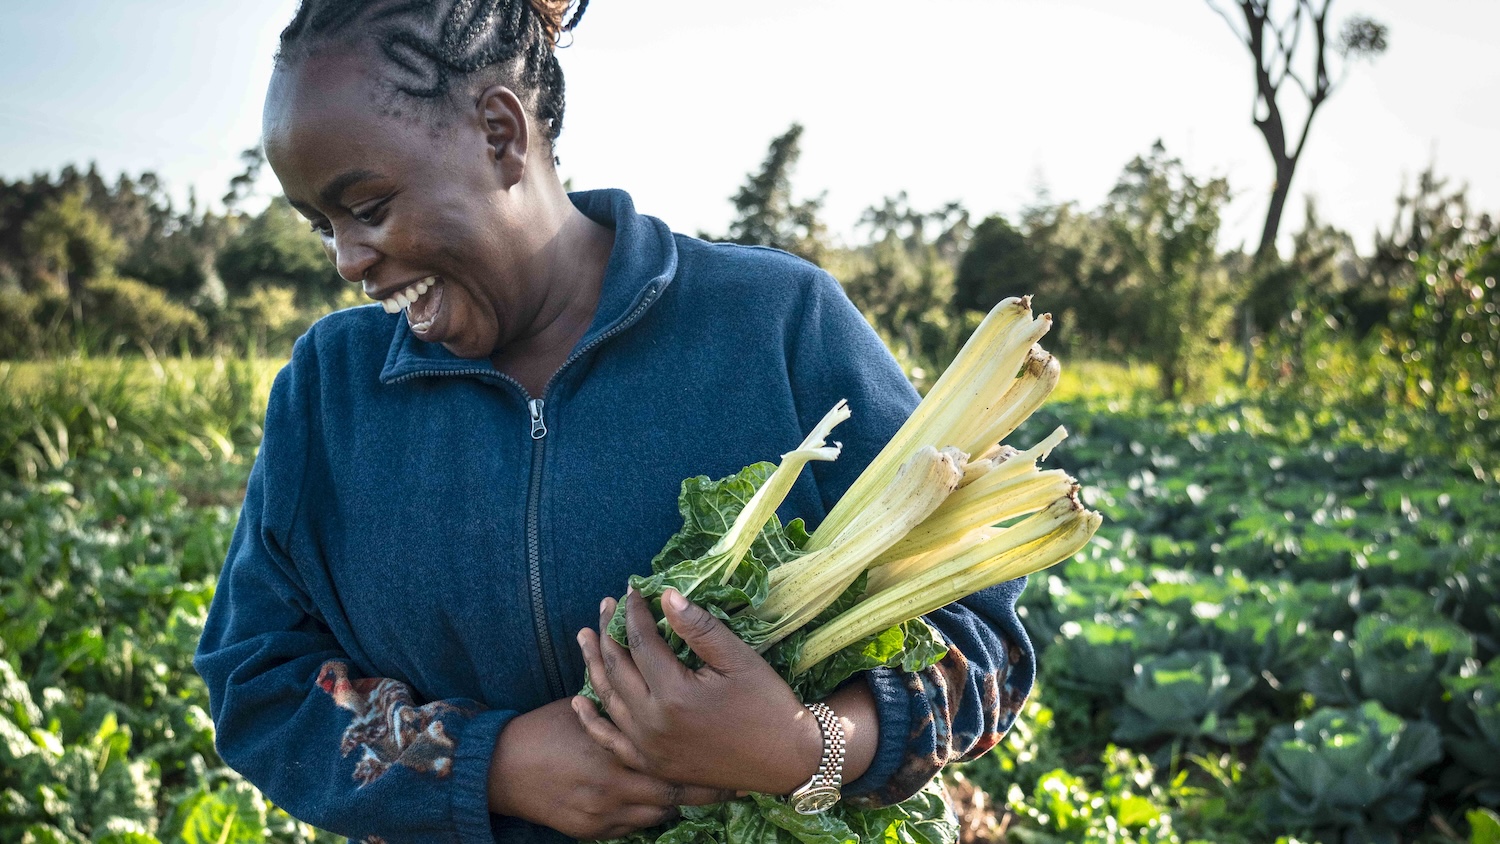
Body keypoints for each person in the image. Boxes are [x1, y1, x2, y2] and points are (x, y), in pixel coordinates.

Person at [193, 2, 1036, 842]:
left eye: (369, 207)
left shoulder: (775, 324)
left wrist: (803, 747)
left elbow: (981, 641)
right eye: (323, 227)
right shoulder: (329, 389)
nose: (347, 260)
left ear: (499, 134)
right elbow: (255, 678)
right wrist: (491, 763)